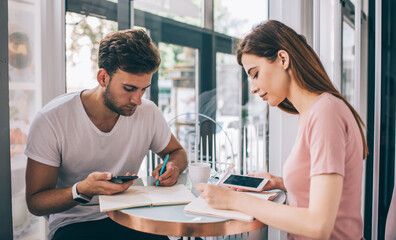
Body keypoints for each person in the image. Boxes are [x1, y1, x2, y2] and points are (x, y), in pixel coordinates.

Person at [196, 20, 368, 240]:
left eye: (255, 73)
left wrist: (234, 200)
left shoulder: (326, 113)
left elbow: (319, 225)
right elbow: (327, 188)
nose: (254, 87)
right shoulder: (314, 112)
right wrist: (280, 182)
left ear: (283, 59)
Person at [25, 29, 188, 240]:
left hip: (132, 215)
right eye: (129, 88)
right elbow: (36, 202)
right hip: (75, 223)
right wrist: (83, 189)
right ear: (103, 77)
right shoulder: (51, 119)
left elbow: (177, 151)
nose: (138, 100)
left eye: (143, 90)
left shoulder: (148, 112)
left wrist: (173, 166)